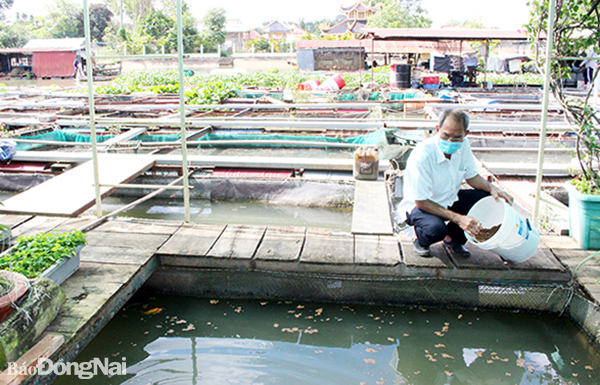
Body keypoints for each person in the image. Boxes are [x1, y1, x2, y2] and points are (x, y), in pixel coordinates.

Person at [398, 109, 514, 258]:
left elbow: (472, 177)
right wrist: (459, 219)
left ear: (465, 133)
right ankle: (421, 240)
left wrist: (493, 188)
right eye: (446, 136)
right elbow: (421, 201)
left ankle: (454, 239)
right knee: (435, 229)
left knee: (485, 198)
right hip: (421, 206)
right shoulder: (423, 155)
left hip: (448, 199)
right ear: (438, 129)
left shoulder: (463, 145)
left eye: (457, 137)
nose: (450, 142)